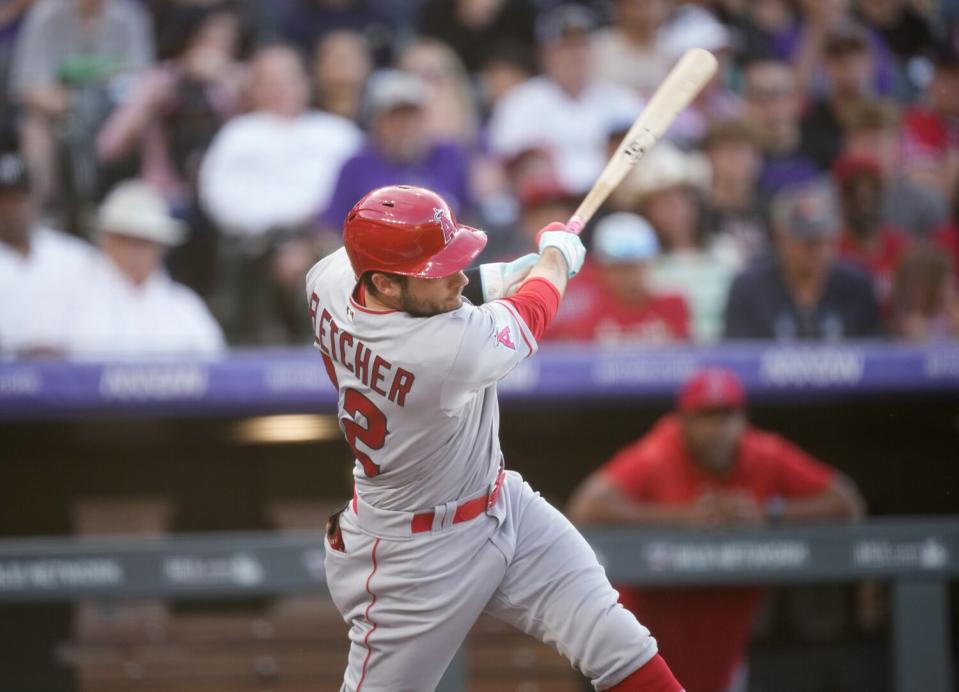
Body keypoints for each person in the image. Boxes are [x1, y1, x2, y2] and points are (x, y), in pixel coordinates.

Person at [306, 184, 683, 691]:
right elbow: (529, 314)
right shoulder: (445, 353)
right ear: (386, 285)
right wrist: (554, 258)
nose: (458, 276)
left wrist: (500, 277)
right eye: (439, 272)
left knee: (620, 643)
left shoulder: (328, 278)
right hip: (412, 556)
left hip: (501, 504)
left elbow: (435, 299)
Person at [567, 367, 864, 692]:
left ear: (743, 419)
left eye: (726, 415)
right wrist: (682, 517)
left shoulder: (764, 454)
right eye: (706, 416)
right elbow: (586, 506)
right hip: (643, 653)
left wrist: (770, 512)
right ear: (685, 421)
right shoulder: (660, 452)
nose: (717, 428)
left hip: (723, 655)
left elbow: (847, 504)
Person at [10, 0, 155, 208]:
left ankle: (138, 205)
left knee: (145, 117)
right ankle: (40, 210)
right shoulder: (45, 15)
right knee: (34, 129)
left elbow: (143, 80)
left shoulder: (130, 17)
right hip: (60, 112)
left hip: (115, 117)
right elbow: (27, 86)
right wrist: (72, 104)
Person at [487, 4, 643, 195]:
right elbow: (510, 166)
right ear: (545, 53)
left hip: (611, 200)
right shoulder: (519, 102)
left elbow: (642, 159)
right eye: (565, 47)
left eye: (582, 45)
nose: (575, 55)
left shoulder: (621, 100)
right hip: (547, 206)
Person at [61, 179, 224, 355]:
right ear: (106, 240)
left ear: (161, 247)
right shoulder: (72, 297)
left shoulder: (185, 307)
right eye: (125, 239)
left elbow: (218, 368)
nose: (134, 251)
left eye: (142, 242)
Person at [723, 180, 882, 340]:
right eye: (807, 241)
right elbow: (738, 355)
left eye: (823, 240)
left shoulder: (857, 288)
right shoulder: (750, 289)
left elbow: (875, 355)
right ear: (781, 239)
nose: (817, 249)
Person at [321, 69, 472, 231]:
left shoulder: (447, 156)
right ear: (376, 123)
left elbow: (470, 215)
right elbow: (331, 227)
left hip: (446, 251)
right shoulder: (356, 167)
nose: (406, 126)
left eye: (411, 116)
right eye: (395, 118)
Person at [0, 150, 96, 356]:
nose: (11, 209)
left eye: (18, 199)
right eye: (3, 200)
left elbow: (100, 313)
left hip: (75, 376)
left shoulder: (74, 256)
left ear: (34, 199)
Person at [545, 212, 690, 344]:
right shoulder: (586, 314)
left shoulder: (673, 306)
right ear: (602, 268)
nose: (628, 278)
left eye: (634, 266)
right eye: (619, 268)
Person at [832, 152, 909, 310]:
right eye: (853, 191)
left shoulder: (903, 248)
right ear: (841, 199)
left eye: (874, 189)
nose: (865, 201)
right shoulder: (831, 251)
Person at [741, 57, 821, 199]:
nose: (770, 106)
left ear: (796, 101)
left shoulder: (821, 148)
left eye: (777, 95)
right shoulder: (736, 160)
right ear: (746, 105)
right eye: (758, 97)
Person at [700, 118, 771, 264]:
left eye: (743, 151)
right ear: (709, 156)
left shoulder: (770, 208)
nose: (736, 159)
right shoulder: (696, 212)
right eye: (727, 151)